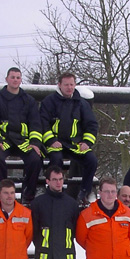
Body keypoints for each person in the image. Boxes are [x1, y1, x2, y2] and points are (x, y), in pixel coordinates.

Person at [40, 72, 99, 206]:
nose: (69, 87)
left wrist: (87, 142)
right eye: (66, 84)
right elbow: (43, 124)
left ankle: (84, 192)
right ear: (59, 85)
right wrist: (51, 141)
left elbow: (92, 124)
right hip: (55, 143)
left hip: (75, 145)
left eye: (72, 84)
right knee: (56, 161)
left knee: (91, 160)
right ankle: (55, 192)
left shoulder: (82, 104)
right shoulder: (49, 102)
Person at [0, 67, 42, 203]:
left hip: (23, 142)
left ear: (21, 80)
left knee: (35, 160)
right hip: (4, 141)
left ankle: (28, 194)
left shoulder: (29, 101)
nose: (15, 80)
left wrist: (34, 143)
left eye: (18, 77)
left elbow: (35, 124)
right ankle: (2, 192)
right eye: (12, 77)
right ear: (7, 79)